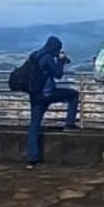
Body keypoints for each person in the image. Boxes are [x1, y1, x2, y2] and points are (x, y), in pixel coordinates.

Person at [26, 36, 79, 168]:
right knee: (73, 95)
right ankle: (69, 123)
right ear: (55, 48)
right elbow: (58, 74)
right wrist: (60, 61)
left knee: (34, 125)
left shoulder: (35, 55)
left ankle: (32, 158)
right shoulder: (48, 58)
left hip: (35, 95)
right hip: (48, 93)